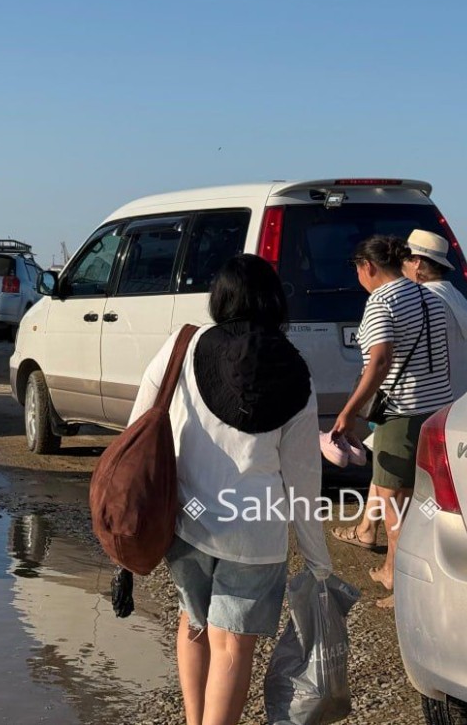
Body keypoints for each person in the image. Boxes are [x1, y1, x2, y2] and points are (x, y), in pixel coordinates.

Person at [129, 254, 331, 725]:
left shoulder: (184, 345)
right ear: (274, 303)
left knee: (195, 625)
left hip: (190, 520)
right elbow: (304, 478)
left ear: (219, 299)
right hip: (256, 534)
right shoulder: (296, 372)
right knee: (232, 645)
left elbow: (138, 424)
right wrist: (318, 562)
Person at [332, 230, 467, 558]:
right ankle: (396, 565)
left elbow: (380, 360)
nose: (358, 277)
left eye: (357, 269)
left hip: (401, 413)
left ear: (368, 266)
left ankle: (396, 582)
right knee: (413, 501)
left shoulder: (381, 301)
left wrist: (349, 411)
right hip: (436, 409)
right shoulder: (432, 298)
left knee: (393, 506)